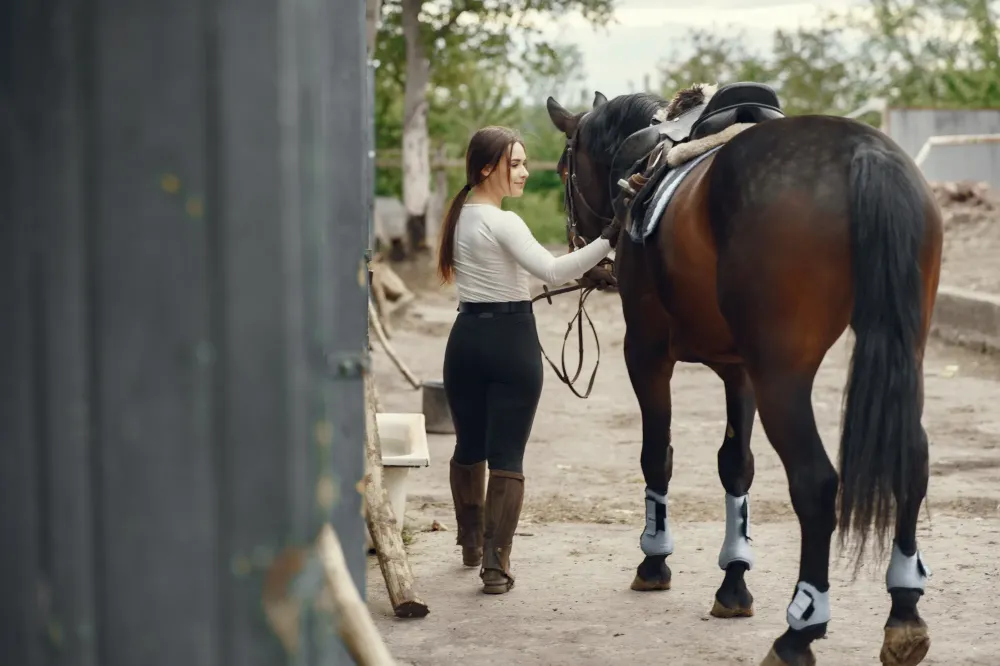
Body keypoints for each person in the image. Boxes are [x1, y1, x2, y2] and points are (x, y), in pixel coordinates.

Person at [437, 125, 619, 595]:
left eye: (521, 163)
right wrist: (610, 236)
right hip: (511, 342)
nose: (521, 173)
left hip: (465, 340)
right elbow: (553, 269)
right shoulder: (505, 221)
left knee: (468, 445)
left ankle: (471, 544)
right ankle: (495, 568)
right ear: (485, 168)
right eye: (514, 164)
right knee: (508, 454)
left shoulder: (458, 216)